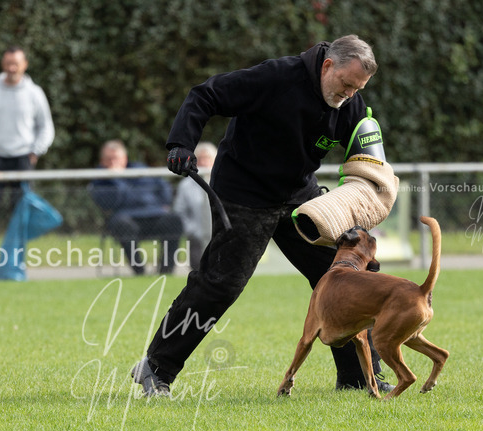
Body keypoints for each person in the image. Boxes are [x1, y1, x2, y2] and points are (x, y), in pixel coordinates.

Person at [131, 35, 395, 397]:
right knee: (221, 283)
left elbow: (368, 163)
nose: (348, 95)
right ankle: (156, 368)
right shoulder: (275, 78)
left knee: (349, 276)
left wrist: (368, 197)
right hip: (244, 193)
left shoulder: (350, 104)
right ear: (328, 65)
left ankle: (358, 377)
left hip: (300, 198)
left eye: (357, 89)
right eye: (345, 85)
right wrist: (181, 143)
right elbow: (205, 94)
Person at [0, 45, 54, 279]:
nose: (11, 68)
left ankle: (15, 268)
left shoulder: (34, 93)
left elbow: (46, 127)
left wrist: (35, 152)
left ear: (24, 64)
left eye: (16, 63)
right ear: (2, 64)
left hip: (22, 161)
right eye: (8, 63)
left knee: (21, 218)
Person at [89, 139, 184, 276]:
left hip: (154, 214)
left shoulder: (140, 169)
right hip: (127, 219)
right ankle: (140, 271)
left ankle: (166, 271)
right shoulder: (100, 179)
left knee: (173, 220)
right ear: (102, 161)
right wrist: (115, 178)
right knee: (122, 225)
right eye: (108, 159)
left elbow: (163, 187)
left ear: (125, 158)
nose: (113, 163)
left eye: (116, 158)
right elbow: (110, 203)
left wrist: (164, 203)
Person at [171, 142, 217, 269]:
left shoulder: (223, 184)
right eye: (200, 159)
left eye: (207, 158)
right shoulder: (185, 186)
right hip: (196, 236)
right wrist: (192, 230)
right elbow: (179, 211)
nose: (203, 162)